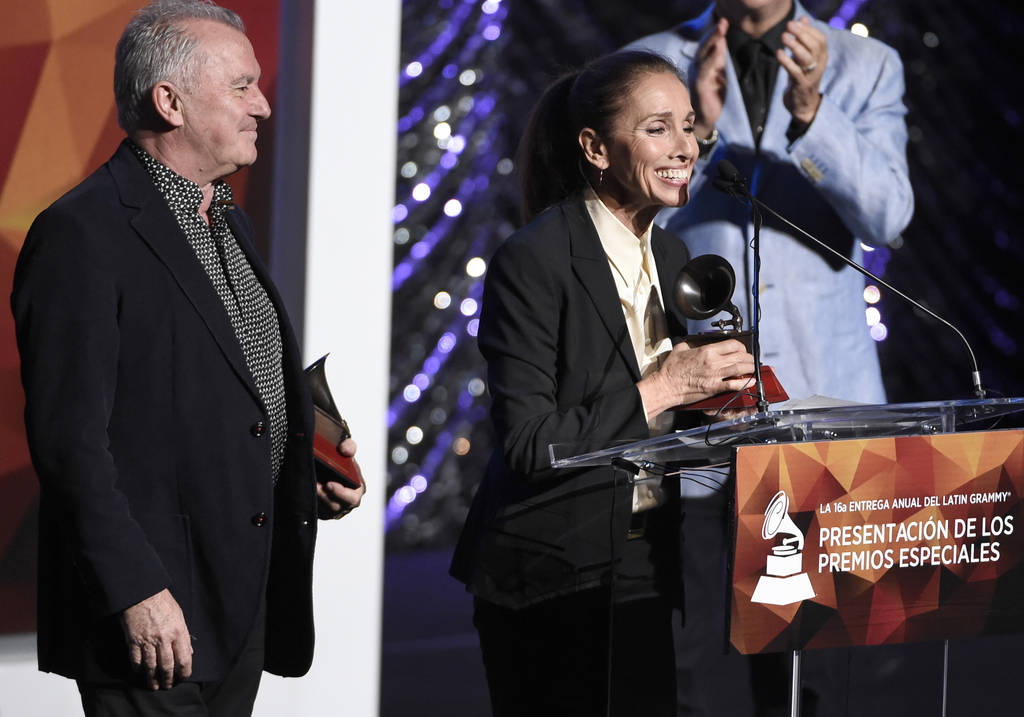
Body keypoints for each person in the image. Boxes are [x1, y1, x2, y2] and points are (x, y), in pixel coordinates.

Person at [10, 1, 364, 714]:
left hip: (241, 603)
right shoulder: (82, 234)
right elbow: (69, 441)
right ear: (168, 101)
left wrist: (307, 457)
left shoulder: (223, 215)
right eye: (241, 86)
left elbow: (211, 381)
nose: (261, 104)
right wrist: (133, 587)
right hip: (156, 615)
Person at [626, 1, 915, 714]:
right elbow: (619, 226)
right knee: (677, 667)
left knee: (809, 676)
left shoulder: (865, 65)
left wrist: (813, 113)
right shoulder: (649, 65)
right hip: (692, 418)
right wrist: (700, 129)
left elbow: (888, 217)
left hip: (821, 413)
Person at [449, 50, 756, 716]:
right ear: (594, 147)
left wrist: (724, 407)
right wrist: (666, 388)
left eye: (689, 125)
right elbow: (530, 444)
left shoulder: (671, 254)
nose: (685, 146)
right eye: (658, 128)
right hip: (551, 577)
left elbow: (662, 424)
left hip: (649, 565)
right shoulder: (532, 260)